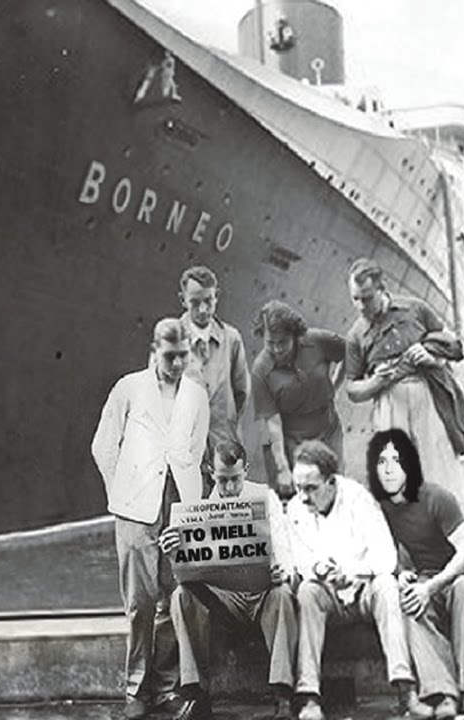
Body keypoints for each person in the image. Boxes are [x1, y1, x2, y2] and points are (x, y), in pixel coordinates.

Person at [91, 318, 210, 719]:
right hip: (135, 508)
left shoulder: (196, 396)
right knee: (140, 602)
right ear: (154, 349)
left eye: (183, 356)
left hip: (178, 506)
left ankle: (164, 687)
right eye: (169, 355)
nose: (176, 364)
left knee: (173, 596)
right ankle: (135, 690)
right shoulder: (129, 388)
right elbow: (103, 446)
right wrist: (121, 494)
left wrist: (189, 507)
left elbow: (194, 451)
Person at [283, 440, 436, 720]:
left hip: (364, 590)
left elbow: (385, 557)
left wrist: (351, 573)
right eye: (298, 487)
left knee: (387, 587)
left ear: (331, 482)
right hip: (329, 594)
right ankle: (309, 698)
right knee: (306, 591)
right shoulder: (295, 508)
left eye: (311, 488)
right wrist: (319, 569)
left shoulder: (358, 499)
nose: (303, 497)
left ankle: (406, 692)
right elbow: (299, 558)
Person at [158, 440, 298, 720]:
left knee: (283, 594)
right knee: (181, 596)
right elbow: (186, 572)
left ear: (246, 470)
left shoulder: (265, 498)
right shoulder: (197, 509)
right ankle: (196, 693)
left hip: (263, 596)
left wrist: (283, 571)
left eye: (236, 479)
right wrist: (174, 550)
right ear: (211, 472)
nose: (231, 487)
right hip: (223, 602)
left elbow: (286, 549)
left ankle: (283, 694)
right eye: (223, 480)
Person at [366, 429, 464, 716]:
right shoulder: (383, 507)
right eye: (381, 462)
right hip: (427, 578)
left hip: (463, 574)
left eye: (396, 460)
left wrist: (431, 586)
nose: (388, 469)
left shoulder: (436, 497)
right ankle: (442, 692)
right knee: (409, 603)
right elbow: (386, 552)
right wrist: (401, 573)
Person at [342, 258, 464, 491]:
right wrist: (376, 381)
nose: (361, 306)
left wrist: (433, 357)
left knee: (439, 471)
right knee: (398, 477)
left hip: (427, 398)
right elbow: (352, 389)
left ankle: (448, 512)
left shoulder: (415, 308)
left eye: (367, 298)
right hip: (389, 404)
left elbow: (453, 346)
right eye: (355, 299)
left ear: (382, 289)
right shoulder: (355, 335)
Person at [250, 300, 347, 499]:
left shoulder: (318, 340)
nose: (277, 349)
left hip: (328, 430)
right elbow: (273, 423)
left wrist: (334, 385)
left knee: (333, 489)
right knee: (301, 496)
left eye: (283, 342)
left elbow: (349, 352)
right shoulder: (261, 370)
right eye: (270, 343)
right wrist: (283, 467)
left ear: (295, 335)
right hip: (291, 439)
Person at [178, 265, 251, 498]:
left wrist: (223, 422)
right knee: (185, 512)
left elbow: (242, 392)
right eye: (195, 302)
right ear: (183, 300)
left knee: (225, 512)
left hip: (223, 452)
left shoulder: (232, 339)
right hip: (184, 453)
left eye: (208, 301)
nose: (203, 309)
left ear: (216, 296)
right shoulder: (171, 340)